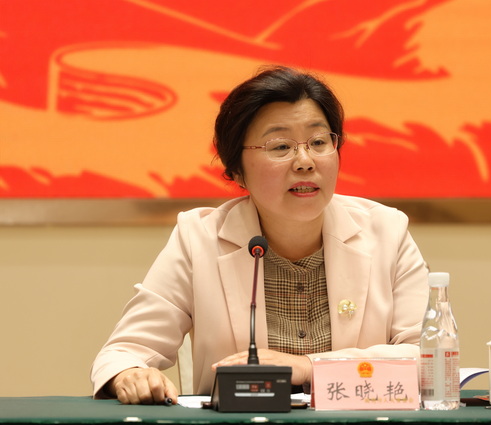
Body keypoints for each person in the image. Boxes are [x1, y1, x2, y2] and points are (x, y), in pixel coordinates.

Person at [91, 65, 429, 405]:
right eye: (280, 146)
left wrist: (307, 367)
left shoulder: (387, 232)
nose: (305, 161)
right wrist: (131, 373)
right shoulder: (199, 239)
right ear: (237, 170)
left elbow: (428, 358)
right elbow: (123, 352)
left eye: (318, 142)